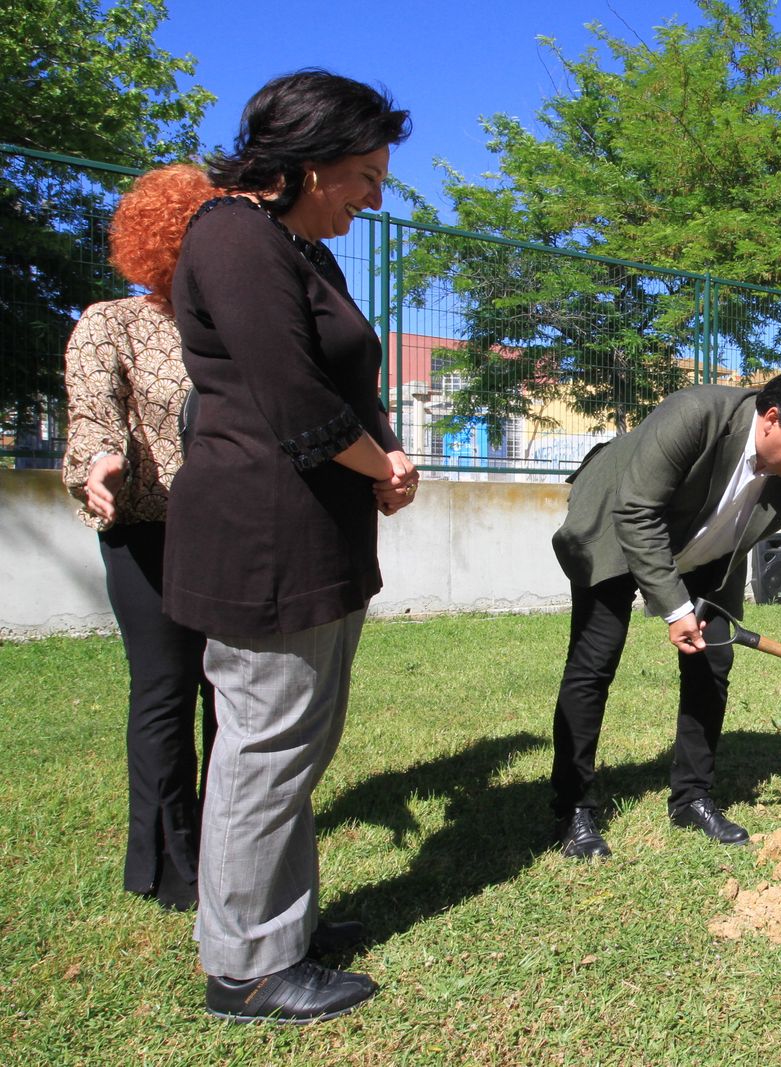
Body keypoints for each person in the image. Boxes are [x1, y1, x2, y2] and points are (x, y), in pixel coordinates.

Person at [162, 70, 417, 1023]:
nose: (373, 197)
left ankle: (282, 924)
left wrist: (385, 453)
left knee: (295, 743)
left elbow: (348, 380)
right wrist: (377, 467)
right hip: (260, 540)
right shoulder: (232, 236)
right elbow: (298, 403)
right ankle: (247, 969)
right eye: (362, 175)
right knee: (265, 746)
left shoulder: (304, 251)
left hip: (316, 533)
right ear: (307, 165)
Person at [549, 364, 781, 859]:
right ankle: (574, 808)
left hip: (708, 548)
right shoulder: (695, 414)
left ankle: (692, 796)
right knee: (595, 662)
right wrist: (675, 608)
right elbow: (637, 511)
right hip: (618, 522)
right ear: (771, 418)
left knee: (711, 664)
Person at [62, 164, 220, 913]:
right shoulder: (110, 322)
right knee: (164, 689)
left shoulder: (230, 328)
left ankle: (228, 843)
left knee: (230, 693)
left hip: (228, 534)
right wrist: (101, 459)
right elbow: (93, 409)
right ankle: (166, 860)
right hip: (147, 530)